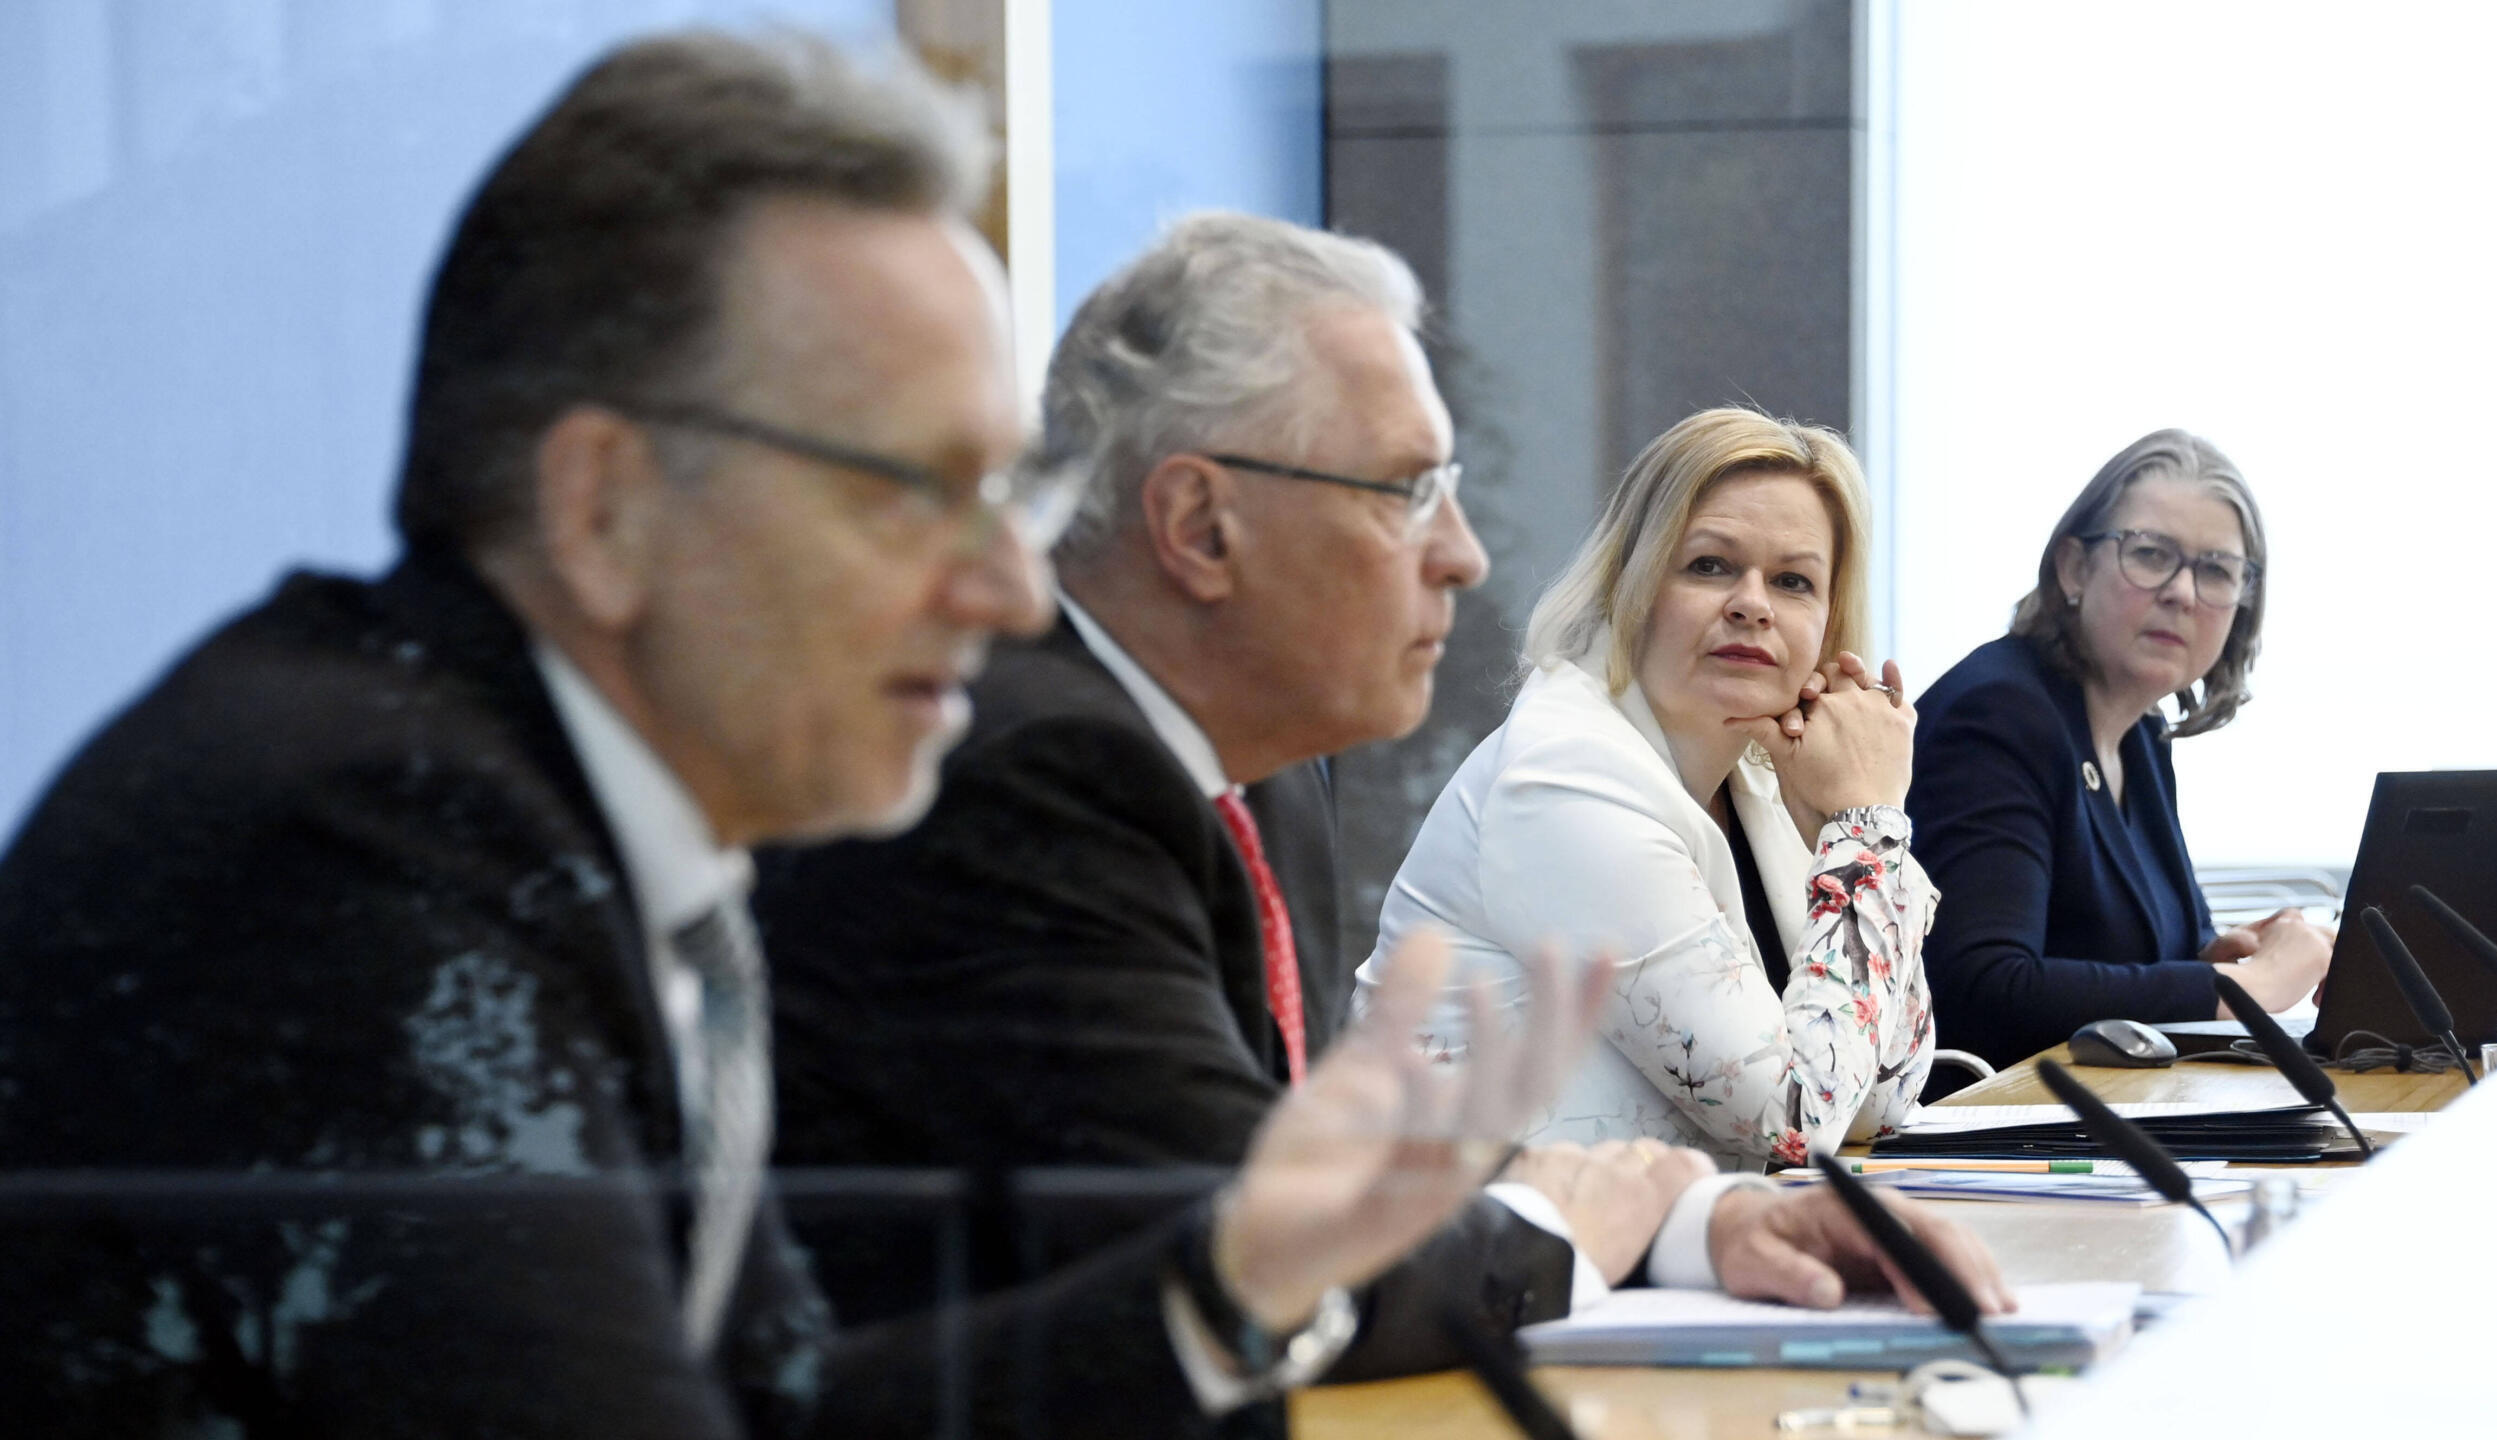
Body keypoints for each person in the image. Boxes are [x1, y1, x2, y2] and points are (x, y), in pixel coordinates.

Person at [0, 34, 1610, 1437]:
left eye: (1012, 492)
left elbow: (770, 1409)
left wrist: (1235, 1278)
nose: (1002, 588)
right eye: (914, 492)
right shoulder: (351, 847)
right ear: (606, 507)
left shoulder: (593, 818)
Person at [755, 236, 2008, 1365]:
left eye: (1794, 583)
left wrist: (1693, 1218)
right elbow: (1253, 1249)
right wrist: (1591, 1226)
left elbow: (1291, 1183)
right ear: (1199, 524)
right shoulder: (1042, 776)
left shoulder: (1261, 782)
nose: (1462, 554)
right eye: (1407, 491)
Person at [1366, 406, 1938, 1170]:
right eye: (1709, 566)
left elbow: (1881, 1098)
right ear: (1630, 584)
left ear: (1829, 628)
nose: (1752, 602)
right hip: (1474, 1259)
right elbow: (1794, 1124)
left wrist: (1837, 831)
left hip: (1655, 1247)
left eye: (1794, 581)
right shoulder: (1565, 779)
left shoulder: (1757, 780)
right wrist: (1869, 830)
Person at [1906, 428, 2332, 1070]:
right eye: (2152, 554)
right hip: (1995, 1145)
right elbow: (1985, 988)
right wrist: (2241, 990)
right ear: (2074, 568)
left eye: (2216, 570)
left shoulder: (2141, 737)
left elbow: (2143, 953)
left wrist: (2219, 959)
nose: (2183, 592)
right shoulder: (1998, 713)